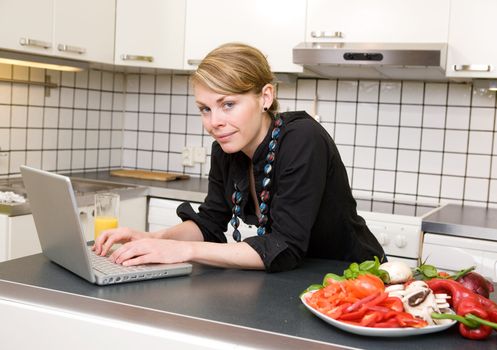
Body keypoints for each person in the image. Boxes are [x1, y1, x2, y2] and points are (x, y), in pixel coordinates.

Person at [93, 43, 385, 272]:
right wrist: (152, 239)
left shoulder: (303, 139)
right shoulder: (226, 146)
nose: (214, 122)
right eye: (205, 109)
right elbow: (210, 222)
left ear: (265, 97)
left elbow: (284, 245)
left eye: (228, 104)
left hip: (351, 275)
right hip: (293, 279)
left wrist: (182, 251)